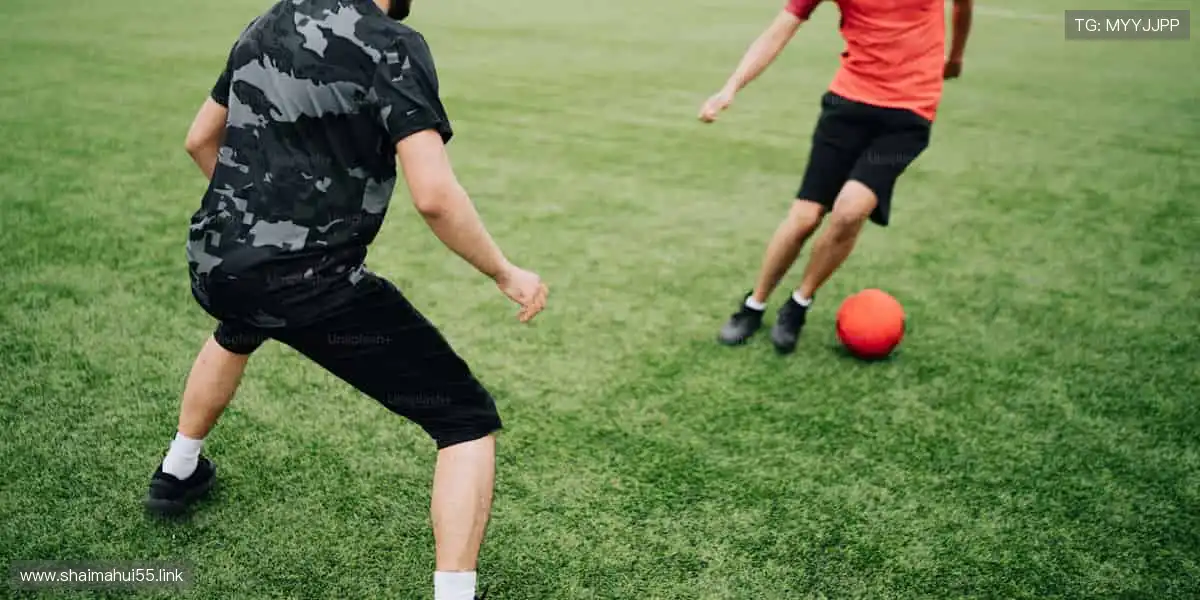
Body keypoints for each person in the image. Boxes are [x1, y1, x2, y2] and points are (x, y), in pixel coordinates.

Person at [143, 1, 547, 598]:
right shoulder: (391, 44)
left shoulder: (269, 21)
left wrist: (259, 225)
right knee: (464, 420)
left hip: (218, 261)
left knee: (242, 323)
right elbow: (434, 196)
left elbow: (199, 139)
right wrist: (504, 272)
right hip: (308, 282)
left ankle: (177, 470)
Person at [699, 0, 973, 353]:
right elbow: (779, 30)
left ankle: (798, 304)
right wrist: (731, 86)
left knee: (849, 211)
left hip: (909, 115)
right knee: (804, 218)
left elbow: (964, 5)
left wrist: (955, 56)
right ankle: (753, 306)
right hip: (848, 105)